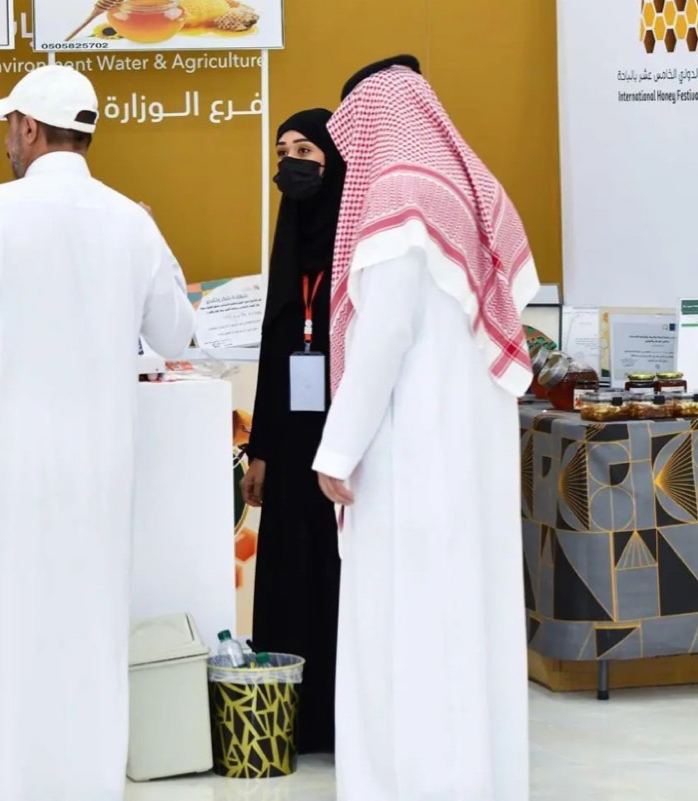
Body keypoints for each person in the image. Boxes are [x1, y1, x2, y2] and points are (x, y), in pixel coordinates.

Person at [0, 65, 195, 801]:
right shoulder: (130, 221)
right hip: (99, 466)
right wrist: (156, 236)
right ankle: (82, 781)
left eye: (10, 129)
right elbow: (175, 333)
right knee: (88, 621)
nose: (8, 142)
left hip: (5, 459)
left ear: (28, 129)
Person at [314, 56, 537, 801]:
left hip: (410, 457)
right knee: (466, 627)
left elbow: (382, 336)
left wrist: (337, 449)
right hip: (468, 457)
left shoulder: (397, 194)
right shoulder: (468, 190)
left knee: (405, 632)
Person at [240, 108, 345, 755]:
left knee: (336, 574)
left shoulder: (357, 241)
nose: (290, 164)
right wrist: (260, 452)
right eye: (283, 152)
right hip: (290, 443)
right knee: (287, 570)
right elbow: (275, 348)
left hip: (344, 442)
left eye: (305, 150)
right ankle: (293, 719)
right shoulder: (289, 244)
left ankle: (339, 715)